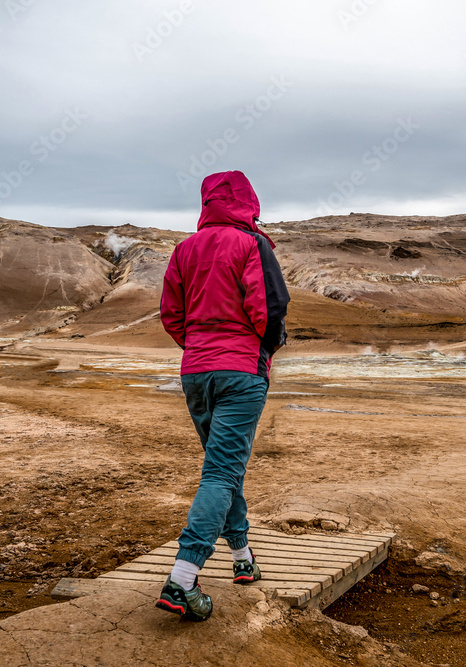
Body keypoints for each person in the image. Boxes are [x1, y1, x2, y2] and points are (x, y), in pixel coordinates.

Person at [156, 170, 290, 621]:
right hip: (240, 370)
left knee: (222, 469)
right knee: (220, 472)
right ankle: (183, 577)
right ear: (249, 201)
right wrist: (263, 347)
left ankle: (242, 556)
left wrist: (198, 348)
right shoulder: (253, 244)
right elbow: (270, 308)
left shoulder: (184, 249)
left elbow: (171, 314)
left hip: (196, 371)